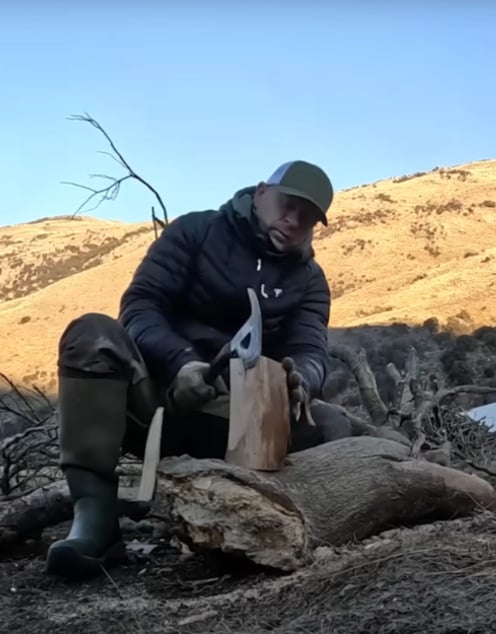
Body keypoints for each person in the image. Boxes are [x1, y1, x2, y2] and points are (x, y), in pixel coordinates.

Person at [46, 160, 351, 579]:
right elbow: (140, 306)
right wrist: (181, 362)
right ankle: (94, 519)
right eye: (288, 204)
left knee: (333, 422)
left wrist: (301, 378)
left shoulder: (310, 281)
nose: (294, 221)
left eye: (308, 216)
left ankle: (266, 524)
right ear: (261, 194)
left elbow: (312, 348)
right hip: (156, 399)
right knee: (92, 335)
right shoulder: (195, 232)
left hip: (243, 421)